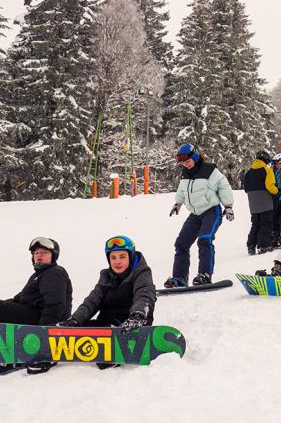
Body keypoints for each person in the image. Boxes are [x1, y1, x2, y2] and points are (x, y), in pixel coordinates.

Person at [57, 236, 156, 368]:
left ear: (130, 257)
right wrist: (75, 320)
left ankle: (118, 347)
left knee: (119, 329)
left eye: (122, 256)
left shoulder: (141, 273)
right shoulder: (106, 277)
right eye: (113, 258)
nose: (117, 261)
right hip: (107, 325)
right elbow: (92, 301)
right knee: (82, 329)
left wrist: (138, 315)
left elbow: (144, 295)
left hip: (132, 324)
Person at [165, 143, 235, 288]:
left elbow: (223, 185)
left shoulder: (209, 170)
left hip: (211, 211)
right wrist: (178, 203)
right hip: (195, 214)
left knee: (204, 239)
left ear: (195, 156)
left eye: (188, 161)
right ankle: (179, 278)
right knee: (181, 244)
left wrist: (228, 206)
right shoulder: (185, 173)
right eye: (183, 162)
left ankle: (205, 275)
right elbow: (182, 189)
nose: (186, 164)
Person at [0, 237, 73, 374]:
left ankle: (10, 356)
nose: (39, 256)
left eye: (44, 253)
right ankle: (6, 353)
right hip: (32, 315)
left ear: (53, 256)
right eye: (36, 253)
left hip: (42, 320)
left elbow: (55, 305)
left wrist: (43, 333)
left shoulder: (55, 273)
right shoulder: (38, 275)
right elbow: (19, 299)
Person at [244, 150, 278, 255]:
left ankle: (251, 246)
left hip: (253, 202)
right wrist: (277, 191)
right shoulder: (267, 170)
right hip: (265, 201)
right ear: (266, 159)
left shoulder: (248, 172)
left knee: (255, 224)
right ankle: (264, 245)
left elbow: (246, 188)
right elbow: (270, 186)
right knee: (266, 223)